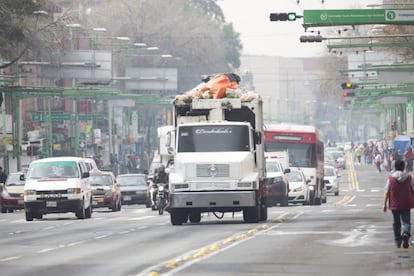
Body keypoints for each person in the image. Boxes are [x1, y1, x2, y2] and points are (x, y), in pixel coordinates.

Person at [383, 159, 414, 248]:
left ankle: (398, 241)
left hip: (394, 204)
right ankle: (405, 234)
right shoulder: (409, 177)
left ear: (395, 167)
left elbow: (387, 192)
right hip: (406, 203)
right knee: (406, 222)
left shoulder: (391, 178)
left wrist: (384, 204)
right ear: (404, 167)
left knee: (396, 223)